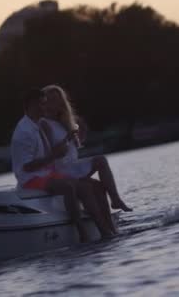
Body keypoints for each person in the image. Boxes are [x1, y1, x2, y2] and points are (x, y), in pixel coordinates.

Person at [10, 88, 114, 241]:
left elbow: (49, 155)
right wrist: (53, 155)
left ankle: (105, 231)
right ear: (32, 105)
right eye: (42, 104)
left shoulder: (37, 124)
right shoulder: (23, 132)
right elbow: (27, 167)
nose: (45, 107)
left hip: (45, 173)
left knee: (86, 186)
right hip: (30, 178)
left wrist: (65, 142)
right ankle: (82, 232)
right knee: (68, 186)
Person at [39, 84, 132, 212]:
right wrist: (68, 138)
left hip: (72, 165)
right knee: (101, 160)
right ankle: (115, 200)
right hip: (60, 169)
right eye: (53, 99)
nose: (58, 103)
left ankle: (110, 224)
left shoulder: (62, 121)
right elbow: (50, 151)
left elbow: (73, 148)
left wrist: (78, 137)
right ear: (45, 103)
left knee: (99, 186)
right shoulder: (44, 123)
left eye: (59, 99)